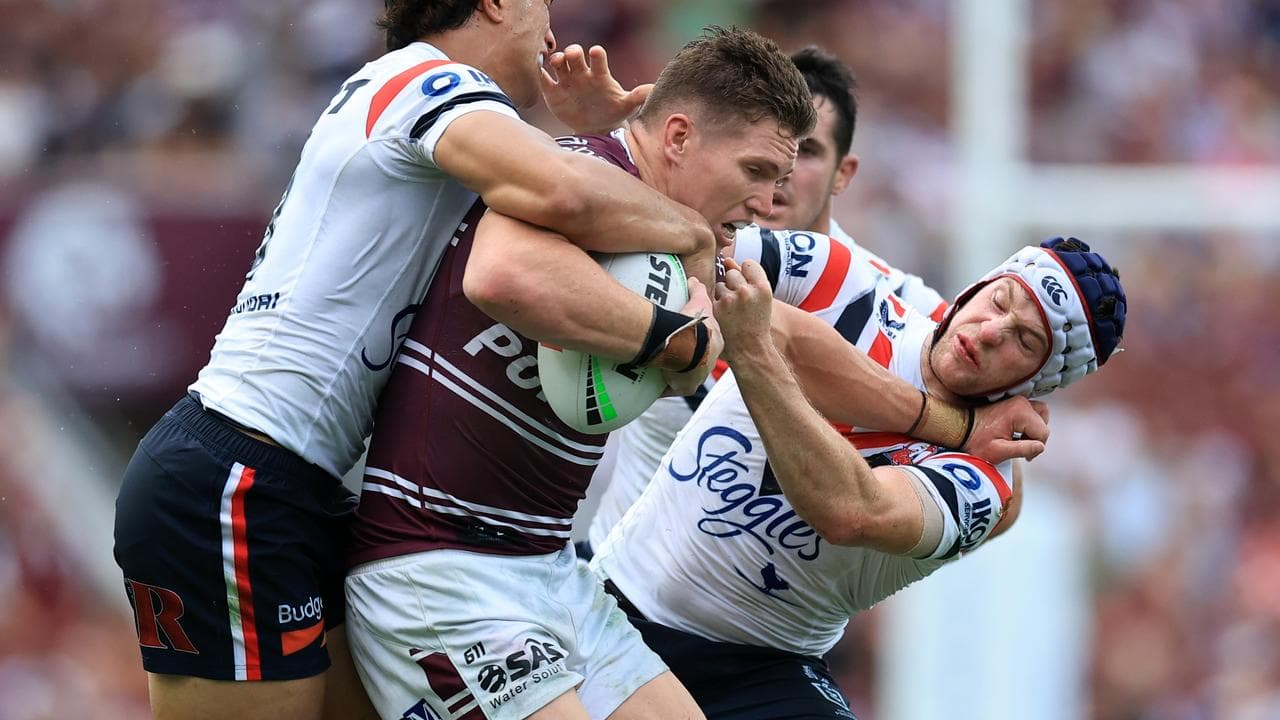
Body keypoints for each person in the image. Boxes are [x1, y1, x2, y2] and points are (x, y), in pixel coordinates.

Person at [111, 2, 723, 719]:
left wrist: (589, 141)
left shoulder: (432, 102)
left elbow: (560, 193)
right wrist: (692, 230)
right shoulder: (423, 78)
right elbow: (561, 191)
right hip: (236, 479)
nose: (555, 27)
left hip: (291, 485)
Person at [591, 238, 1128, 719]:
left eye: (1024, 341)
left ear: (1041, 380)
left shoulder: (989, 484)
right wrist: (945, 421)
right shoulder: (845, 286)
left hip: (761, 667)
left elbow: (850, 510)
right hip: (616, 600)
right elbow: (699, 258)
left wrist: (754, 348)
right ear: (978, 286)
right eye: (1001, 300)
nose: (989, 332)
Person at [585, 46, 946, 553]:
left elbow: (1008, 484)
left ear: (846, 173)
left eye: (809, 154)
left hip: (770, 624)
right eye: (758, 159)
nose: (779, 180)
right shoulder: (661, 237)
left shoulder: (899, 303)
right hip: (612, 580)